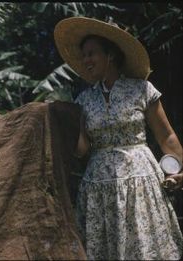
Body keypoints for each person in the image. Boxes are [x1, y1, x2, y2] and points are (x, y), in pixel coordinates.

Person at [54, 17, 183, 260]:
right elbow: (82, 150)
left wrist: (181, 170)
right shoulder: (83, 100)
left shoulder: (142, 90)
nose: (86, 60)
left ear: (110, 55)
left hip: (140, 184)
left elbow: (166, 136)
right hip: (99, 188)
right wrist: (61, 120)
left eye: (91, 53)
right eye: (84, 55)